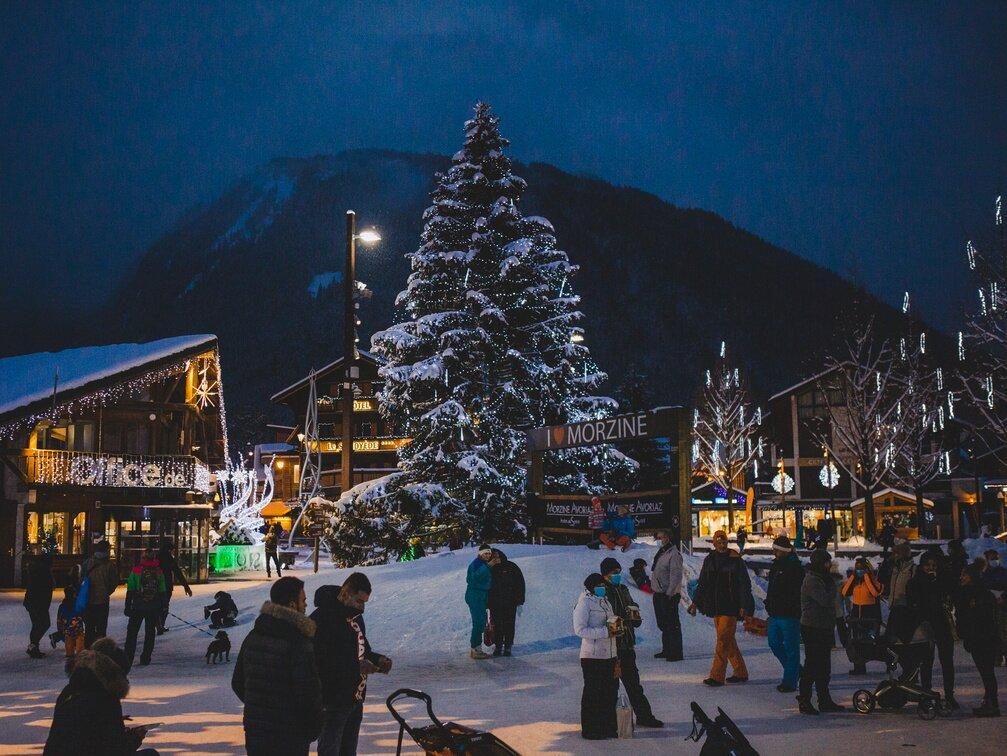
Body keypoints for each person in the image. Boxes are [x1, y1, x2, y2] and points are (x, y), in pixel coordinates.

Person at [232, 576, 323, 754]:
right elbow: (307, 692)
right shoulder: (298, 641)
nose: (305, 605)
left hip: (256, 731)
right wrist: (312, 726)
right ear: (291, 605)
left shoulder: (254, 636)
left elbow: (238, 682)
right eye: (303, 600)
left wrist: (261, 708)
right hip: (290, 734)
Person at [312, 574, 392, 756]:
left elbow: (363, 649)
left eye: (364, 602)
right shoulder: (322, 618)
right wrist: (356, 667)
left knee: (348, 750)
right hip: (332, 700)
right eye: (359, 601)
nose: (362, 608)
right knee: (330, 749)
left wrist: (377, 659)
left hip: (354, 698)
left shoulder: (355, 617)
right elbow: (320, 661)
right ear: (345, 593)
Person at [43, 637, 158, 756]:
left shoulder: (70, 691)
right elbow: (116, 750)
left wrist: (112, 723)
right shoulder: (105, 699)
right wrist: (134, 737)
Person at [600, 558, 663, 728]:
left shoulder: (623, 588)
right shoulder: (602, 592)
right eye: (614, 573)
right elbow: (603, 615)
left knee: (634, 684)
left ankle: (644, 716)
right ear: (605, 574)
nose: (617, 576)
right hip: (612, 646)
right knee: (610, 687)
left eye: (619, 572)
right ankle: (608, 720)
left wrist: (634, 613)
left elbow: (631, 606)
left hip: (627, 643)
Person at [688, 530, 754, 686]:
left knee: (723, 641)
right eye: (719, 541)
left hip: (731, 606)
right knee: (728, 640)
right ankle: (740, 672)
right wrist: (695, 603)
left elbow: (745, 585)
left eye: (724, 541)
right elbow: (703, 583)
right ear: (714, 543)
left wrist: (745, 605)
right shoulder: (709, 560)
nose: (722, 544)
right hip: (715, 606)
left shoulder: (735, 560)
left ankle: (717, 676)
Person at [907, 553, 958, 710]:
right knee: (926, 661)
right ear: (922, 567)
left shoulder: (943, 580)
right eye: (928, 565)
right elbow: (913, 601)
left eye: (934, 565)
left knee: (947, 661)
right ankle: (926, 693)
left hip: (942, 624)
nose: (931, 568)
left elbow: (949, 595)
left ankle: (949, 694)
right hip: (925, 624)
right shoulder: (915, 582)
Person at [797, 549, 845, 715]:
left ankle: (824, 699)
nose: (829, 565)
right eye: (826, 563)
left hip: (824, 626)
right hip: (813, 627)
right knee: (813, 664)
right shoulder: (812, 580)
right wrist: (834, 586)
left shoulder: (822, 578)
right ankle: (804, 698)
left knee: (824, 666)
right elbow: (825, 600)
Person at [573, 573, 619, 740]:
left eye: (604, 585)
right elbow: (580, 630)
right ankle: (591, 729)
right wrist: (605, 632)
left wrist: (616, 628)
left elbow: (610, 622)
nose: (603, 587)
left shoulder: (605, 601)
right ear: (591, 587)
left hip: (609, 654)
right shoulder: (584, 603)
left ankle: (607, 726)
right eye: (599, 585)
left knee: (609, 692)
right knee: (593, 693)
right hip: (592, 656)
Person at [956, 563, 1001, 717]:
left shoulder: (979, 594)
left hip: (983, 638)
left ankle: (992, 704)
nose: (961, 577)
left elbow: (982, 618)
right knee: (986, 672)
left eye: (964, 575)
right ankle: (989, 702)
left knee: (987, 672)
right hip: (979, 638)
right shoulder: (972, 593)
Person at [764, 535, 803, 693]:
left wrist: (794, 607)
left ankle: (790, 681)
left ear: (783, 551)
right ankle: (796, 671)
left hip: (790, 614)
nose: (774, 551)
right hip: (775, 612)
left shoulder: (795, 568)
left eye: (776, 549)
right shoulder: (776, 566)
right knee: (774, 643)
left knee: (791, 648)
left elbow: (797, 591)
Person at [123, 548, 166, 670]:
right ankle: (146, 657)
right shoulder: (158, 571)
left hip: (138, 605)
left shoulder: (136, 570)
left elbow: (130, 589)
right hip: (153, 606)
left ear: (143, 558)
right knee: (150, 632)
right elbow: (162, 589)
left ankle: (128, 657)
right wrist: (163, 605)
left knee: (132, 632)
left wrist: (128, 605)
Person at [841, 556, 883, 674]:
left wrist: (866, 577)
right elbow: (844, 592)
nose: (859, 570)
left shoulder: (872, 580)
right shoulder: (855, 581)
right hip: (856, 613)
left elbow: (875, 592)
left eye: (861, 568)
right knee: (856, 641)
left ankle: (885, 661)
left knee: (869, 641)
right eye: (857, 568)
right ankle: (859, 666)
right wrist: (853, 577)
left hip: (869, 613)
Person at [650, 529, 684, 661]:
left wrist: (670, 593)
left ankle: (675, 652)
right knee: (663, 623)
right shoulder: (662, 552)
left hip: (668, 594)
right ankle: (667, 649)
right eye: (658, 538)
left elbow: (676, 575)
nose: (659, 540)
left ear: (668, 538)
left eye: (662, 537)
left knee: (672, 624)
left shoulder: (673, 554)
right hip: (659, 593)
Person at [80, 540, 119, 648]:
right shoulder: (109, 565)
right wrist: (107, 591)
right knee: (101, 627)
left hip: (88, 599)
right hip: (102, 600)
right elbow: (114, 582)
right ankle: (100, 649)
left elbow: (81, 579)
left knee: (89, 627)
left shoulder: (87, 562)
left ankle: (88, 649)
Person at [488, 548, 525, 657]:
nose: (496, 559)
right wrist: (486, 602)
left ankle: (508, 646)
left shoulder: (511, 566)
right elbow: (485, 586)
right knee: (497, 625)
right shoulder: (490, 569)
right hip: (495, 603)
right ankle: (498, 646)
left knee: (509, 624)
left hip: (510, 602)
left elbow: (520, 583)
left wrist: (520, 600)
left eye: (497, 556)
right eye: (493, 557)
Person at [155, 540, 192, 634]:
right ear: (169, 550)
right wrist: (186, 586)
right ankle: (160, 625)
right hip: (166, 585)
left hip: (155, 586)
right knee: (164, 606)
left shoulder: (156, 557)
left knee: (157, 606)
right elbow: (177, 572)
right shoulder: (168, 558)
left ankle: (157, 624)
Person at [883, 542, 917, 643]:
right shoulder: (895, 568)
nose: (894, 556)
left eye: (896, 554)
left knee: (900, 636)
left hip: (905, 606)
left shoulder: (912, 569)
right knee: (892, 636)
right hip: (895, 604)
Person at [466, 545, 494, 659]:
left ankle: (476, 648)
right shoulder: (477, 564)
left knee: (480, 622)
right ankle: (475, 649)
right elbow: (472, 579)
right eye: (485, 553)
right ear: (480, 554)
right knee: (478, 622)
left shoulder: (482, 564)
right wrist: (487, 566)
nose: (487, 555)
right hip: (475, 595)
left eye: (489, 553)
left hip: (480, 596)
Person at [24, 552, 55, 659]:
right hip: (39, 603)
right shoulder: (44, 571)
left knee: (37, 624)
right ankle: (33, 646)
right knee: (43, 624)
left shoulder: (37, 570)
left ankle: (34, 647)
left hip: (33, 602)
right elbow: (44, 589)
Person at [55, 585, 86, 661]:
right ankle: (80, 660)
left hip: (68, 630)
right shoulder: (78, 604)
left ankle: (70, 659)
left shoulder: (62, 606)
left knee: (69, 648)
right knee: (80, 649)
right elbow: (83, 614)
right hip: (78, 630)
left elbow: (59, 619)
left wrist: (60, 628)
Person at [829, 561, 849, 648]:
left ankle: (831, 644)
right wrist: (849, 610)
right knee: (842, 627)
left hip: (828, 610)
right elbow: (846, 598)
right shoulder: (841, 583)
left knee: (830, 628)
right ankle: (846, 643)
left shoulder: (825, 581)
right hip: (839, 610)